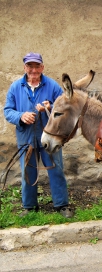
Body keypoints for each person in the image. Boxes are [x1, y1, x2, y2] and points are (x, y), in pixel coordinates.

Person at [4, 52, 73, 218]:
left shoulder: (52, 86)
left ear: (42, 67)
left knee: (56, 169)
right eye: (30, 66)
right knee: (27, 171)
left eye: (37, 66)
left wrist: (50, 108)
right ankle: (29, 206)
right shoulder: (15, 87)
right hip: (26, 136)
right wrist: (21, 116)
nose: (33, 69)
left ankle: (62, 205)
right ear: (24, 67)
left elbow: (64, 109)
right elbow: (8, 111)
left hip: (49, 136)